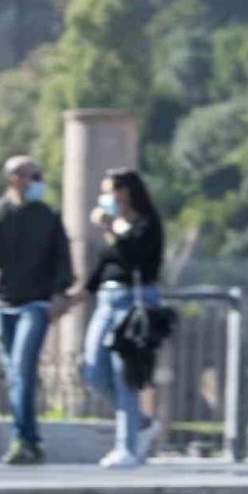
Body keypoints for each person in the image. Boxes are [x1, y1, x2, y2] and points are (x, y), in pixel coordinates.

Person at [0, 155, 75, 466]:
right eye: (32, 175)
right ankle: (32, 441)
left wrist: (61, 293)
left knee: (22, 370)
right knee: (15, 375)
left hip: (35, 305)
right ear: (15, 179)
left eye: (39, 174)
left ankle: (22, 439)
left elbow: (63, 257)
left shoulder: (47, 216)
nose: (38, 181)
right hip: (3, 304)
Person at [70, 168, 166, 469]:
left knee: (125, 374)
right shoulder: (115, 228)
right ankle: (142, 423)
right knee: (93, 371)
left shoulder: (147, 224)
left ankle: (126, 447)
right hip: (106, 301)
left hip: (134, 301)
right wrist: (77, 295)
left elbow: (133, 257)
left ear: (126, 192)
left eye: (111, 190)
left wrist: (111, 225)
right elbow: (105, 265)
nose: (106, 197)